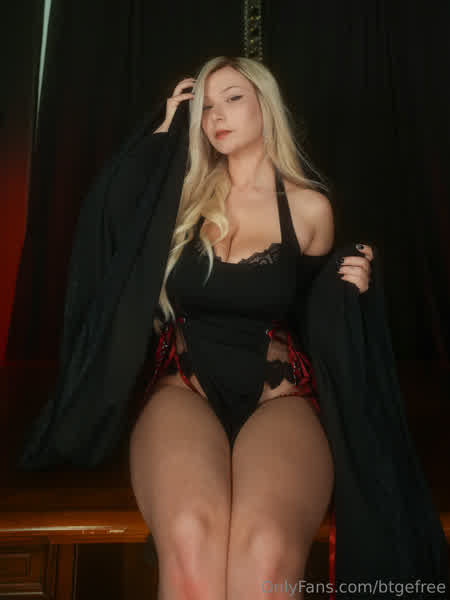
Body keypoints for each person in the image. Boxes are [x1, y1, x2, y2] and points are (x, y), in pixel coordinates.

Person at [129, 56, 374, 599]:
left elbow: (318, 315)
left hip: (276, 395)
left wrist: (351, 288)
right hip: (185, 388)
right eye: (206, 106)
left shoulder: (309, 209)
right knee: (190, 536)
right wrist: (163, 134)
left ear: (266, 105)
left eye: (233, 98)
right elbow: (110, 235)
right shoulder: (178, 196)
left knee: (266, 554)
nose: (216, 115)